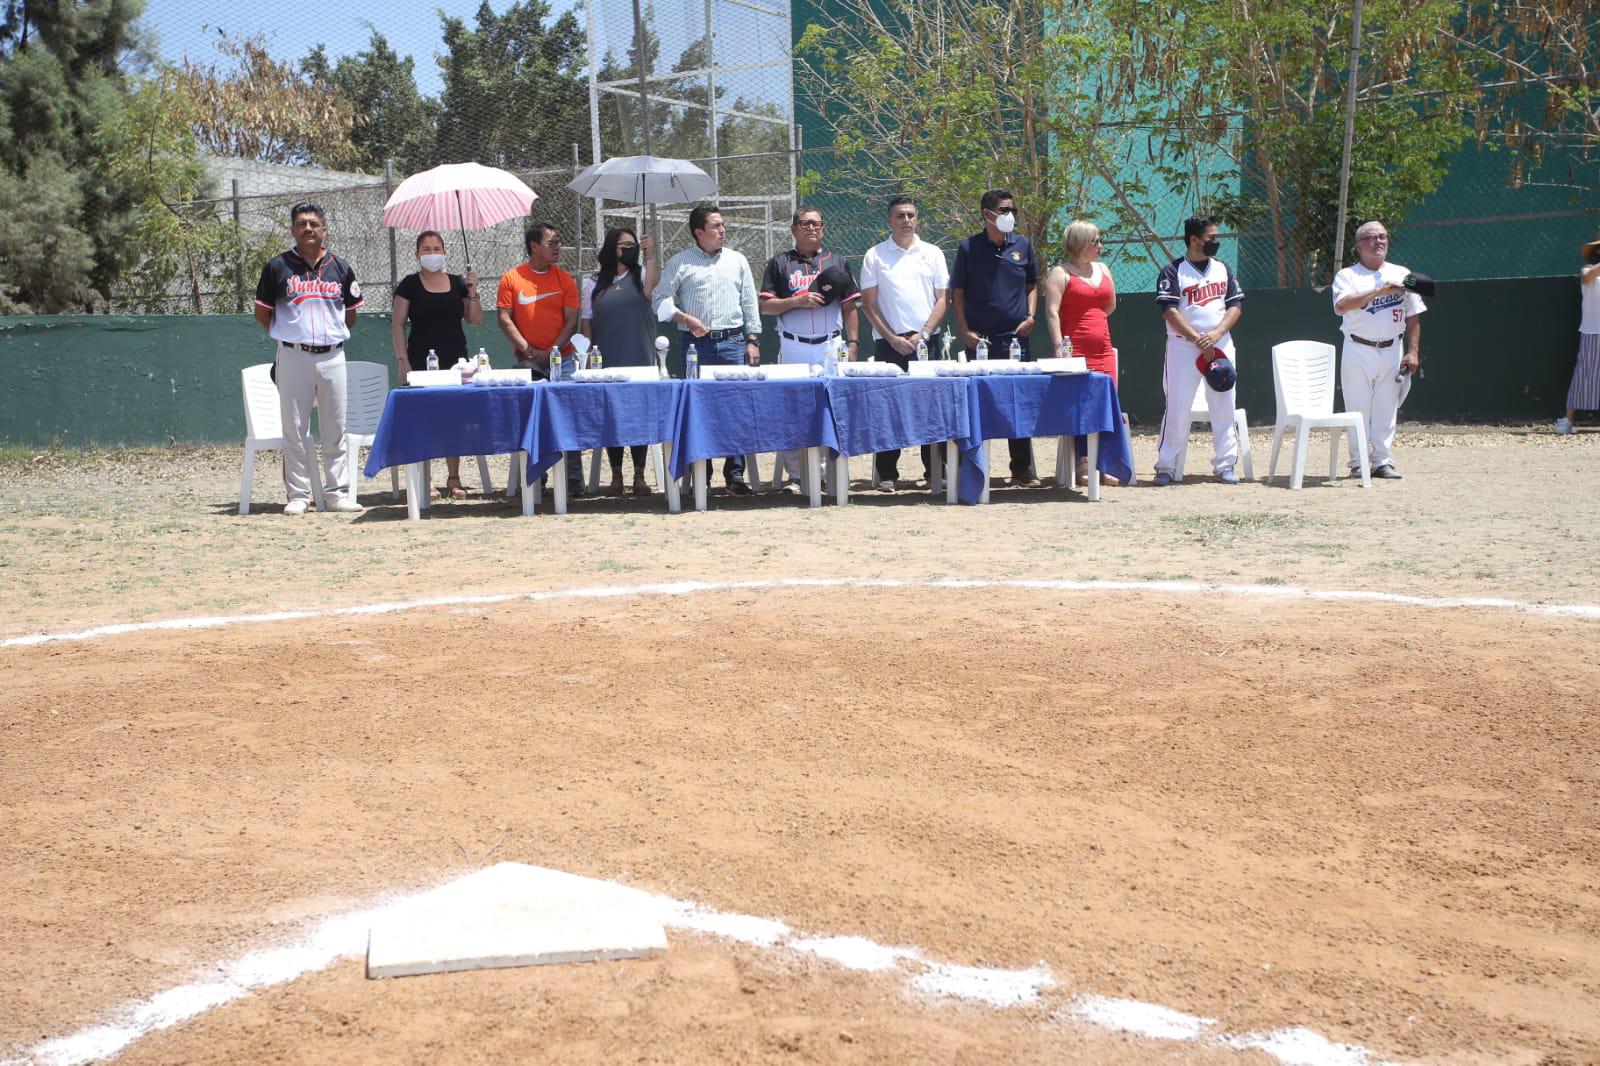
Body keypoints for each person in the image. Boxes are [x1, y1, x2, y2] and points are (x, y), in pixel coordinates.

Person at [252, 201, 364, 515]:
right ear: (293, 230)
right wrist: (291, 334)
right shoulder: (277, 267)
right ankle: (298, 495)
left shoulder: (340, 267)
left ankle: (336, 494)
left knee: (335, 427)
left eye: (314, 223)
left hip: (333, 356)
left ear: (324, 229)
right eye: (301, 223)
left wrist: (328, 334)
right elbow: (263, 313)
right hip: (293, 355)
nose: (308, 228)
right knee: (295, 428)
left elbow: (350, 316)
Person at [652, 205, 762, 495]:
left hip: (734, 343)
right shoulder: (681, 262)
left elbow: (749, 302)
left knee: (734, 408)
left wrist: (752, 340)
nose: (722, 230)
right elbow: (659, 299)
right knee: (697, 408)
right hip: (695, 345)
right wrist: (684, 318)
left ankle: (735, 475)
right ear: (698, 232)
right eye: (715, 226)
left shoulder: (737, 260)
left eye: (723, 225)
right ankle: (701, 473)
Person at [759, 205, 860, 493]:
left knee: (834, 408)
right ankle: (797, 474)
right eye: (804, 223)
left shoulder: (837, 261)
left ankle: (831, 472)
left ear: (823, 228)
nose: (811, 228)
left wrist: (853, 344)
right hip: (794, 344)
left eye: (817, 223)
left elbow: (850, 306)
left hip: (831, 343)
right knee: (793, 409)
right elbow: (765, 306)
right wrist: (796, 301)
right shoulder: (779, 263)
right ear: (793, 229)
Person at [858, 195, 949, 492]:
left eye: (911, 215)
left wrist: (922, 334)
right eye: (900, 216)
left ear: (917, 219)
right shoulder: (875, 255)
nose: (906, 220)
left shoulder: (933, 253)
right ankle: (886, 475)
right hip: (889, 345)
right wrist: (893, 338)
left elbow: (942, 299)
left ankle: (936, 471)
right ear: (889, 221)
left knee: (932, 409)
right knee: (888, 409)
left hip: (926, 342)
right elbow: (869, 305)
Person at [952, 189, 1041, 486]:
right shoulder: (968, 248)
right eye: (1004, 210)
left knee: (1018, 401)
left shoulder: (1023, 245)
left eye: (1012, 209)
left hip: (1016, 340)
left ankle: (1022, 468)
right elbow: (958, 294)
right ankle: (974, 468)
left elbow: (1031, 284)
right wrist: (964, 331)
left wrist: (1031, 316)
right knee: (978, 404)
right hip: (981, 342)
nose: (1010, 215)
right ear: (987, 214)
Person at [1153, 215, 1245, 486]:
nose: (1216, 242)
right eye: (1211, 238)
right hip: (1183, 347)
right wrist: (1197, 338)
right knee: (1178, 407)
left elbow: (1236, 304)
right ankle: (1166, 466)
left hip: (1221, 344)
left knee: (1224, 405)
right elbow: (1168, 310)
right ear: (1194, 240)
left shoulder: (1223, 268)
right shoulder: (1173, 271)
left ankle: (1225, 464)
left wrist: (1215, 335)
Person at [1330, 220, 1425, 478]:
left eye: (1382, 237)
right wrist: (1378, 291)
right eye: (1371, 238)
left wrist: (1413, 351)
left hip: (1392, 348)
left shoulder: (1402, 273)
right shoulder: (1348, 276)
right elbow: (1341, 306)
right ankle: (1358, 462)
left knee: (1386, 407)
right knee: (1357, 408)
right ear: (1359, 245)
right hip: (1358, 348)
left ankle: (1382, 461)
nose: (1378, 242)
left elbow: (1413, 315)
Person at [391, 230, 482, 499]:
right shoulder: (409, 285)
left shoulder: (457, 283)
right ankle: (426, 480)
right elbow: (397, 325)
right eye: (427, 249)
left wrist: (473, 289)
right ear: (417, 254)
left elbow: (474, 319)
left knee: (453, 420)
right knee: (425, 421)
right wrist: (402, 359)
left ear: (445, 251)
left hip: (456, 361)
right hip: (421, 362)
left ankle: (454, 478)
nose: (432, 254)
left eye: (437, 248)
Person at [497, 220, 583, 497]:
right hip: (528, 363)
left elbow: (571, 322)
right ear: (534, 246)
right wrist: (530, 351)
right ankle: (536, 479)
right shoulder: (512, 278)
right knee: (530, 420)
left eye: (558, 242)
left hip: (564, 361)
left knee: (568, 418)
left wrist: (552, 353)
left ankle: (572, 481)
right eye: (552, 242)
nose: (558, 247)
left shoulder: (564, 279)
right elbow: (504, 319)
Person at [581, 226, 660, 495]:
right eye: (624, 244)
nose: (630, 248)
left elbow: (652, 287)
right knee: (612, 416)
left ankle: (639, 474)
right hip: (607, 358)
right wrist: (591, 354)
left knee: (639, 415)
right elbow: (587, 322)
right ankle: (616, 475)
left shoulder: (640, 275)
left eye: (634, 244)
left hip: (639, 354)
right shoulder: (594, 283)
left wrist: (649, 255)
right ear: (611, 248)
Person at [1043, 218, 1119, 484]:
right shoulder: (1060, 273)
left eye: (1099, 240)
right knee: (1080, 406)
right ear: (1080, 244)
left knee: (1106, 404)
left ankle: (1104, 462)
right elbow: (1052, 312)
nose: (1100, 245)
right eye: (1095, 241)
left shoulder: (1103, 269)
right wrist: (1060, 346)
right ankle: (1083, 463)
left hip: (1104, 349)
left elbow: (1110, 304)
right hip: (1074, 350)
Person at [1555, 236, 1600, 434]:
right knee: (1583, 375)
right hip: (1592, 331)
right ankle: (1567, 420)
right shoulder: (1587, 271)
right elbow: (1587, 277)